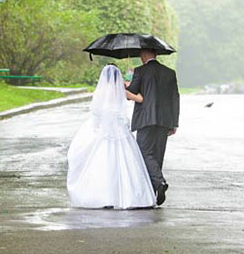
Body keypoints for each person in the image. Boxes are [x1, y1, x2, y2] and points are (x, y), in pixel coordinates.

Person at [66, 64, 156, 209]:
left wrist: (96, 128)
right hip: (120, 132)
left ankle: (102, 196)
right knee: (125, 163)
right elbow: (140, 99)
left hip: (104, 132)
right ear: (118, 77)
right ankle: (128, 197)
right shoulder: (121, 91)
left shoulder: (100, 91)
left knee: (101, 162)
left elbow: (95, 113)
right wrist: (129, 87)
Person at [126, 49, 180, 206]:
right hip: (165, 121)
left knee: (144, 153)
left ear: (143, 55)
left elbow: (132, 92)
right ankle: (154, 192)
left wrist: (125, 84)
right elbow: (175, 98)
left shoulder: (140, 71)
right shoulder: (170, 72)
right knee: (157, 155)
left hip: (145, 119)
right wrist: (174, 123)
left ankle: (159, 182)